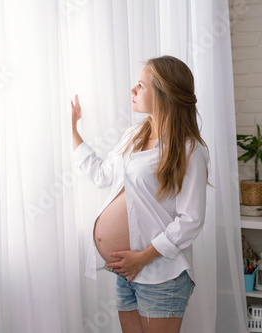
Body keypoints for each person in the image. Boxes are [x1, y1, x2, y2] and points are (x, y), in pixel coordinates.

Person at [71, 55, 209, 333]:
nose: (132, 91)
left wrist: (143, 257)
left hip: (161, 274)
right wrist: (73, 128)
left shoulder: (189, 149)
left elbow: (190, 220)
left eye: (140, 86)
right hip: (127, 272)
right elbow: (103, 175)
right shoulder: (134, 135)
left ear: (165, 93)